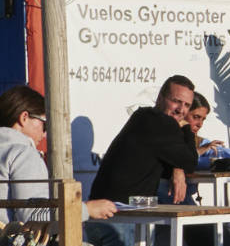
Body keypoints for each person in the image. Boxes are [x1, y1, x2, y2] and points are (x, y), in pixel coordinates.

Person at [0, 86, 114, 222]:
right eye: (45, 125)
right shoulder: (23, 154)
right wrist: (86, 209)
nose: (44, 134)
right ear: (24, 118)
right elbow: (33, 215)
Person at [92, 75, 198, 205]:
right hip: (123, 209)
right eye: (176, 101)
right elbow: (191, 162)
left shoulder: (142, 115)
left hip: (105, 205)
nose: (181, 110)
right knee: (187, 207)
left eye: (187, 105)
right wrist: (187, 127)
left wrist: (178, 168)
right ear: (160, 98)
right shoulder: (162, 123)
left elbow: (174, 160)